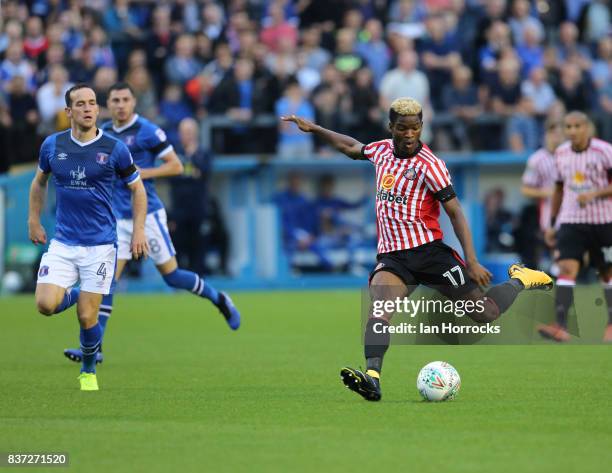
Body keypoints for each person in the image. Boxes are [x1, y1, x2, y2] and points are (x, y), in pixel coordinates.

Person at [281, 97, 553, 402]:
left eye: (415, 128)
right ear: (391, 128)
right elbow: (350, 146)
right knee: (380, 309)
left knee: (485, 313)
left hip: (431, 255)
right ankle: (372, 379)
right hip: (394, 258)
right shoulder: (382, 150)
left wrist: (472, 261)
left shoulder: (431, 166)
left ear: (421, 127)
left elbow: (455, 213)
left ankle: (522, 278)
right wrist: (314, 128)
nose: (410, 134)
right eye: (402, 128)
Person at [63, 83, 240, 365]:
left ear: (134, 103)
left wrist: (141, 173)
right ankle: (95, 349)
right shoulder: (103, 132)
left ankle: (220, 300)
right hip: (115, 219)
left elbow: (176, 166)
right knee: (106, 281)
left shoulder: (147, 131)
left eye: (125, 99)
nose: (120, 105)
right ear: (107, 105)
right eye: (115, 100)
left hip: (148, 214)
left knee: (172, 276)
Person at [29, 84, 148, 391]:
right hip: (64, 242)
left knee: (86, 317)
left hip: (100, 246)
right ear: (68, 111)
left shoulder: (114, 148)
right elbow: (39, 182)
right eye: (80, 104)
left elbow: (138, 189)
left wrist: (138, 230)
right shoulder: (52, 145)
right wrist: (34, 220)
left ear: (98, 109)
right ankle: (82, 293)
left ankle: (88, 369)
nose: (87, 108)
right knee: (45, 304)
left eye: (92, 103)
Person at [540, 112, 612, 343]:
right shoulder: (561, 153)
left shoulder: (604, 151)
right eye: (568, 126)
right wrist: (552, 223)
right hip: (571, 219)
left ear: (587, 127)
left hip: (603, 221)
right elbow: (559, 190)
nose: (572, 131)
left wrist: (595, 193)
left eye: (577, 126)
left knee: (606, 272)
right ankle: (560, 326)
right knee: (566, 268)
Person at [519, 119, 564, 267]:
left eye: (559, 134)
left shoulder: (570, 155)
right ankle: (555, 270)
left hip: (572, 207)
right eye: (552, 134)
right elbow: (525, 189)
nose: (556, 137)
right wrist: (547, 193)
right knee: (554, 243)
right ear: (546, 135)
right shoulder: (537, 159)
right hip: (549, 210)